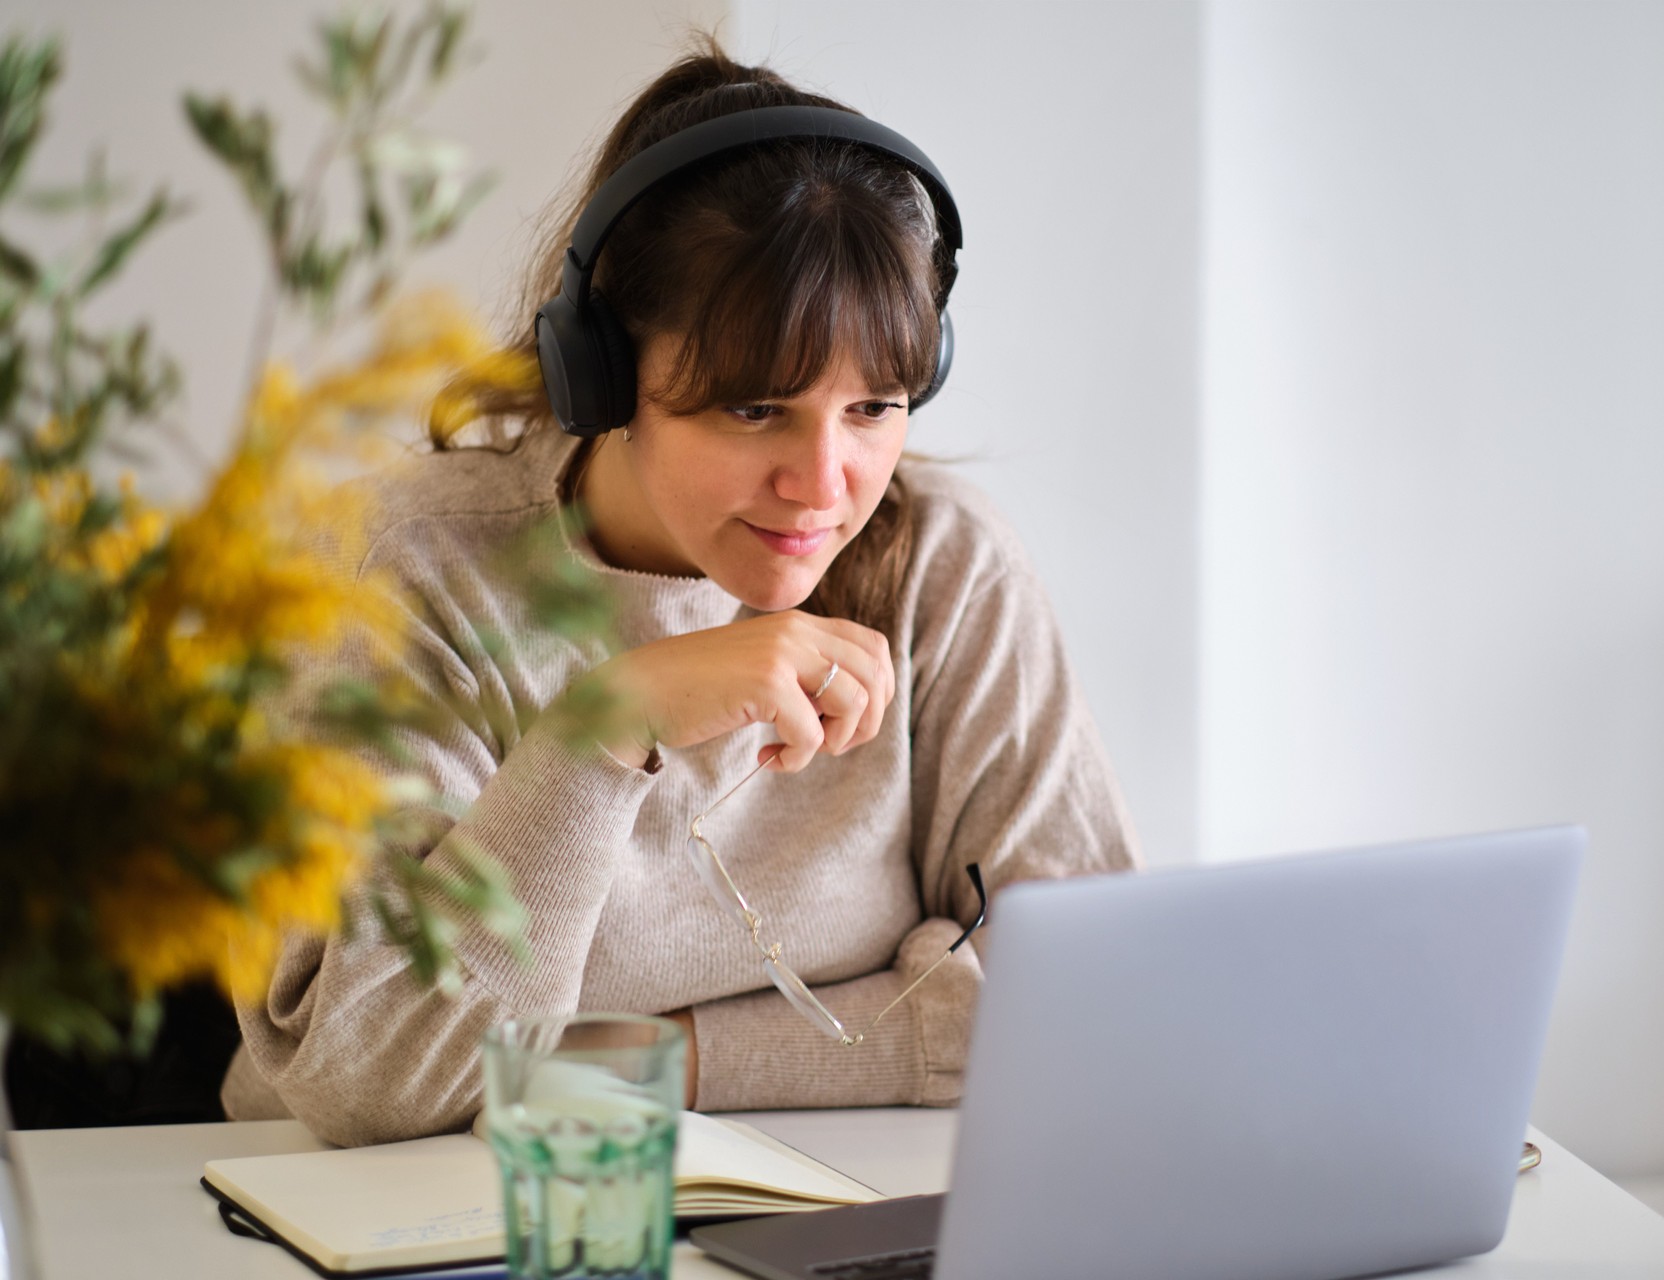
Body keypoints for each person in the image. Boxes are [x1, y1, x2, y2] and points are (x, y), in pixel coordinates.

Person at [220, 42, 1141, 1147]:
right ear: (601, 370)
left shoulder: (948, 566)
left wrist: (651, 1063)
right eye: (755, 410)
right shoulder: (404, 570)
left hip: (848, 1201)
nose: (823, 485)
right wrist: (605, 729)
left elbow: (1085, 1004)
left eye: (874, 408)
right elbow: (367, 1074)